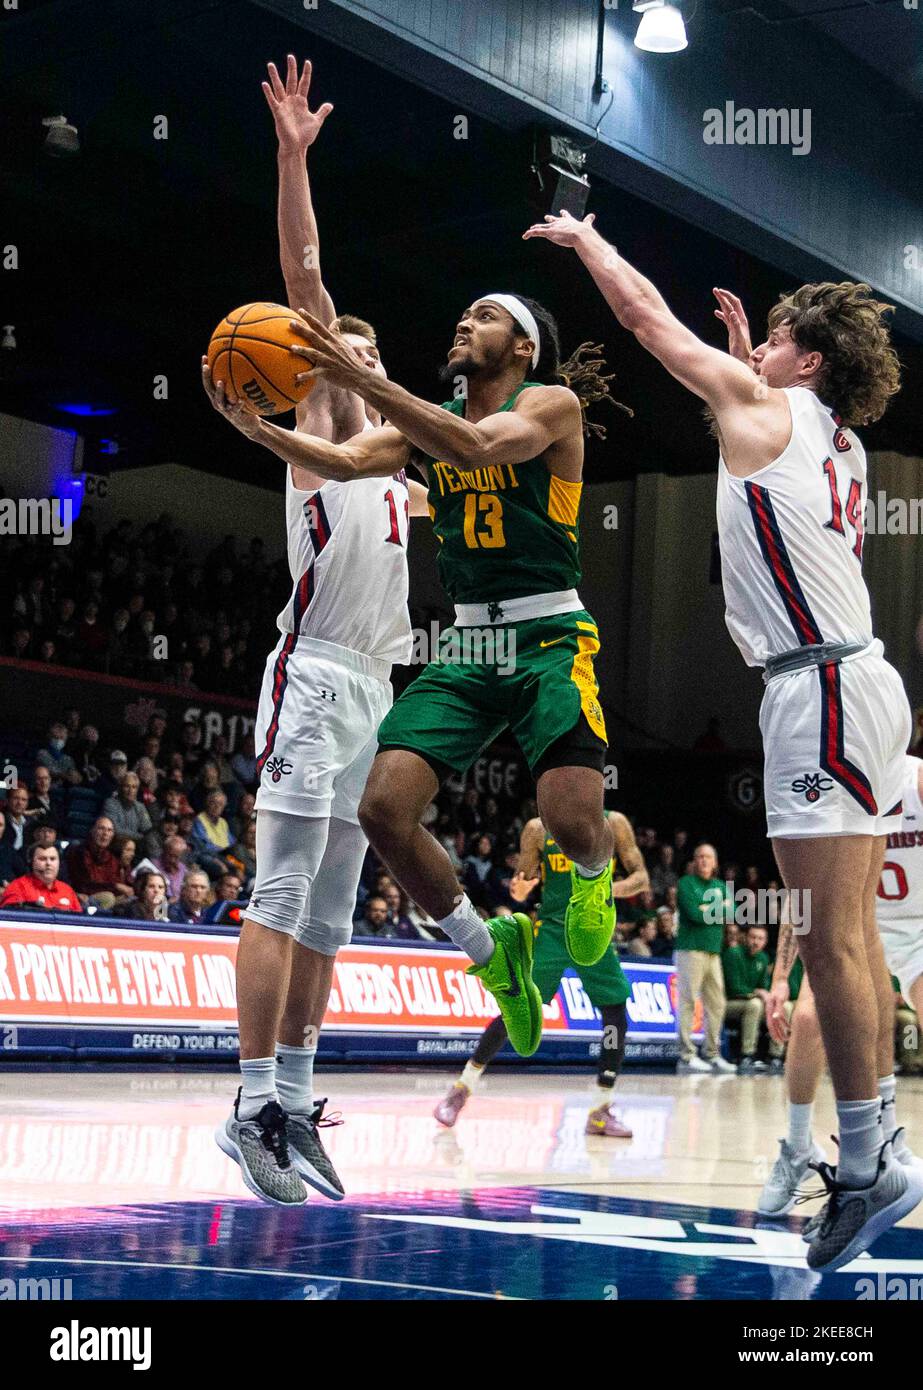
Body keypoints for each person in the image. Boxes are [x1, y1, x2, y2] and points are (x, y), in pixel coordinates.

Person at [527, 205, 921, 1267]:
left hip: (820, 688)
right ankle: (867, 1144)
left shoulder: (763, 403)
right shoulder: (836, 438)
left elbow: (649, 324)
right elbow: (757, 444)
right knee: (847, 939)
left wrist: (587, 240)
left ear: (805, 357)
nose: (760, 347)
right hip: (850, 681)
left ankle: (865, 1159)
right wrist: (755, 367)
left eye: (780, 333)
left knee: (833, 936)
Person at [207, 151, 632, 1075]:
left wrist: (366, 389)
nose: (461, 321)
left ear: (520, 345)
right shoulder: (396, 435)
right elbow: (352, 436)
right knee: (384, 813)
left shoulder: (546, 404)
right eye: (463, 312)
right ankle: (496, 954)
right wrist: (259, 430)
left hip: (548, 632)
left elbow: (474, 442)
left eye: (482, 315)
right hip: (439, 650)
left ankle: (591, 879)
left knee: (567, 823)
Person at [202, 55, 428, 1207]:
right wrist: (292, 159)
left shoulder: (400, 461)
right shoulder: (330, 409)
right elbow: (305, 277)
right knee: (282, 895)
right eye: (357, 352)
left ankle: (293, 1096)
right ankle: (245, 1103)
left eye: (379, 353)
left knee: (333, 915)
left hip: (379, 690)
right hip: (317, 681)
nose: (368, 360)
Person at [760, 756, 923, 1223]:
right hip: (854, 926)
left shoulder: (915, 780)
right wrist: (778, 978)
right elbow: (802, 893)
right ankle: (795, 1146)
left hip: (917, 929)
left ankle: (888, 1137)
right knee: (809, 1019)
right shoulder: (831, 780)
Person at [434, 812, 647, 1137]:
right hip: (551, 931)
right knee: (517, 1005)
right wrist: (520, 888)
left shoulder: (613, 823)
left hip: (593, 925)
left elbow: (641, 878)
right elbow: (520, 890)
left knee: (615, 1010)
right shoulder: (537, 829)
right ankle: (462, 1088)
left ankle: (601, 1107)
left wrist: (602, 889)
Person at [673, 843, 734, 1074]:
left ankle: (712, 1054)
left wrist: (708, 907)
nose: (704, 861)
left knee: (717, 1004)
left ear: (715, 863)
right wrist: (719, 907)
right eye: (699, 857)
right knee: (687, 1001)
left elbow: (734, 912)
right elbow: (695, 914)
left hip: (713, 952)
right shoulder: (686, 884)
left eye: (708, 857)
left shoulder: (720, 885)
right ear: (693, 861)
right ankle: (686, 1056)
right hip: (690, 950)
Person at [721, 923, 783, 1073]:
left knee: (781, 1006)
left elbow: (765, 986)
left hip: (752, 1002)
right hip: (728, 1004)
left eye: (760, 938)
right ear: (745, 938)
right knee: (755, 1004)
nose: (756, 942)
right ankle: (747, 1055)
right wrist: (757, 993)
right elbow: (734, 988)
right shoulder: (733, 954)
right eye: (753, 937)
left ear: (766, 941)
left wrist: (768, 996)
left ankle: (776, 1056)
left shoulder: (763, 957)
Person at [65, 816, 135, 910]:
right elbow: (86, 885)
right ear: (92, 831)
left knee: (132, 899)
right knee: (108, 898)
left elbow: (117, 882)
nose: (105, 833)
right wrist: (116, 886)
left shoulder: (111, 858)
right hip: (83, 897)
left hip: (110, 898)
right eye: (101, 828)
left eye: (109, 830)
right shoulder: (79, 852)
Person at [0, 844, 81, 912]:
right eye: (42, 859)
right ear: (31, 862)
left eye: (53, 859)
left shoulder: (67, 890)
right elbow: (8, 920)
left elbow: (80, 922)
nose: (48, 863)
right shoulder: (17, 887)